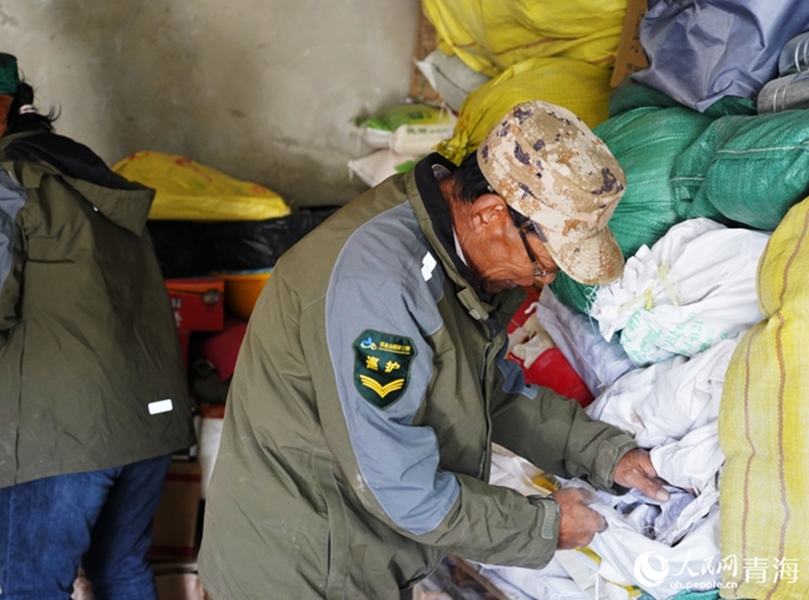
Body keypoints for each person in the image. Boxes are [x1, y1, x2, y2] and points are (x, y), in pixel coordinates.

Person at [198, 100, 670, 600]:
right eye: (543, 264)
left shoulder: (446, 244)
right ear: (491, 214)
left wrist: (603, 454)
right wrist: (543, 528)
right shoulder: (383, 291)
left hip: (350, 556)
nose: (545, 279)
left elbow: (486, 391)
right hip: (303, 575)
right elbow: (401, 488)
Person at [0, 49, 196, 600]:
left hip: (65, 428)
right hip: (148, 413)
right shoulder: (80, 166)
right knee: (122, 569)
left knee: (33, 586)